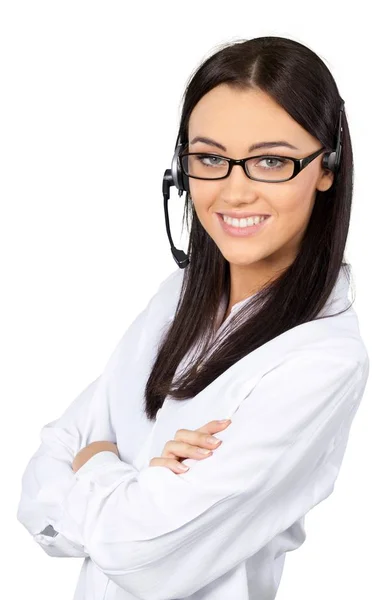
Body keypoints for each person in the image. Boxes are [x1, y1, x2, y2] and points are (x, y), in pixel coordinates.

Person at [16, 36, 370, 600]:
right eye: (209, 158)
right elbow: (37, 492)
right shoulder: (176, 297)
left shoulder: (322, 360)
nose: (233, 190)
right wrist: (138, 486)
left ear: (327, 167)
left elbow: (143, 559)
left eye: (272, 160)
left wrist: (100, 462)